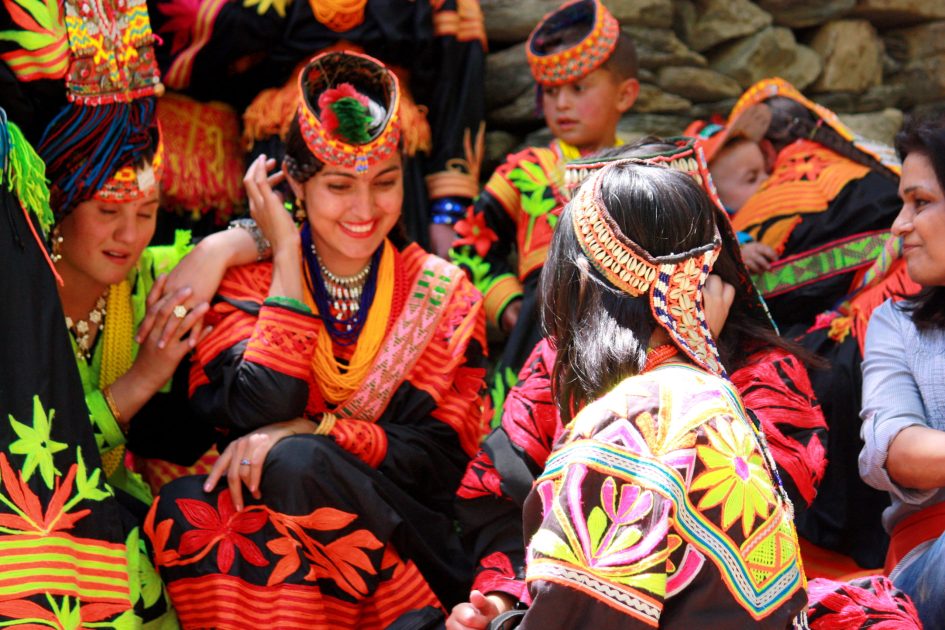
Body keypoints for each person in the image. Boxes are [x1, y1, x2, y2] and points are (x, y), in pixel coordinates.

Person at [146, 51, 489, 629]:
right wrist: (282, 251)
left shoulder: (444, 295)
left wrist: (319, 432)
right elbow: (261, 402)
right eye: (338, 185)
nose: (365, 208)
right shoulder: (247, 280)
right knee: (188, 510)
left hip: (398, 534)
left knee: (296, 462)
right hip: (268, 522)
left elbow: (439, 462)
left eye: (385, 183)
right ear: (297, 186)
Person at [449, 138, 829, 629]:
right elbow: (500, 495)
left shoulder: (760, 372)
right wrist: (504, 602)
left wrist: (692, 358)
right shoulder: (555, 362)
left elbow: (750, 508)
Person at [146, 0, 486, 253]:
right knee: (282, 269)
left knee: (394, 282)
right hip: (284, 140)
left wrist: (449, 209)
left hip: (390, 138)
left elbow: (457, 73)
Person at [450, 0, 640, 424]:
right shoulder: (526, 171)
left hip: (625, 334)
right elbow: (468, 245)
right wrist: (510, 306)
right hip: (538, 337)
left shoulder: (642, 172)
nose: (562, 104)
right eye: (551, 92)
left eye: (579, 88)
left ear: (625, 94)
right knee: (527, 433)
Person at [859, 115, 945, 628]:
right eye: (903, 203)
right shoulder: (895, 325)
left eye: (921, 202)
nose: (899, 225)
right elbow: (893, 448)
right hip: (931, 559)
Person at [685, 107, 779, 274]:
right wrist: (737, 253)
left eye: (766, 171)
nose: (767, 181)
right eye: (751, 178)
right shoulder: (710, 233)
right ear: (711, 196)